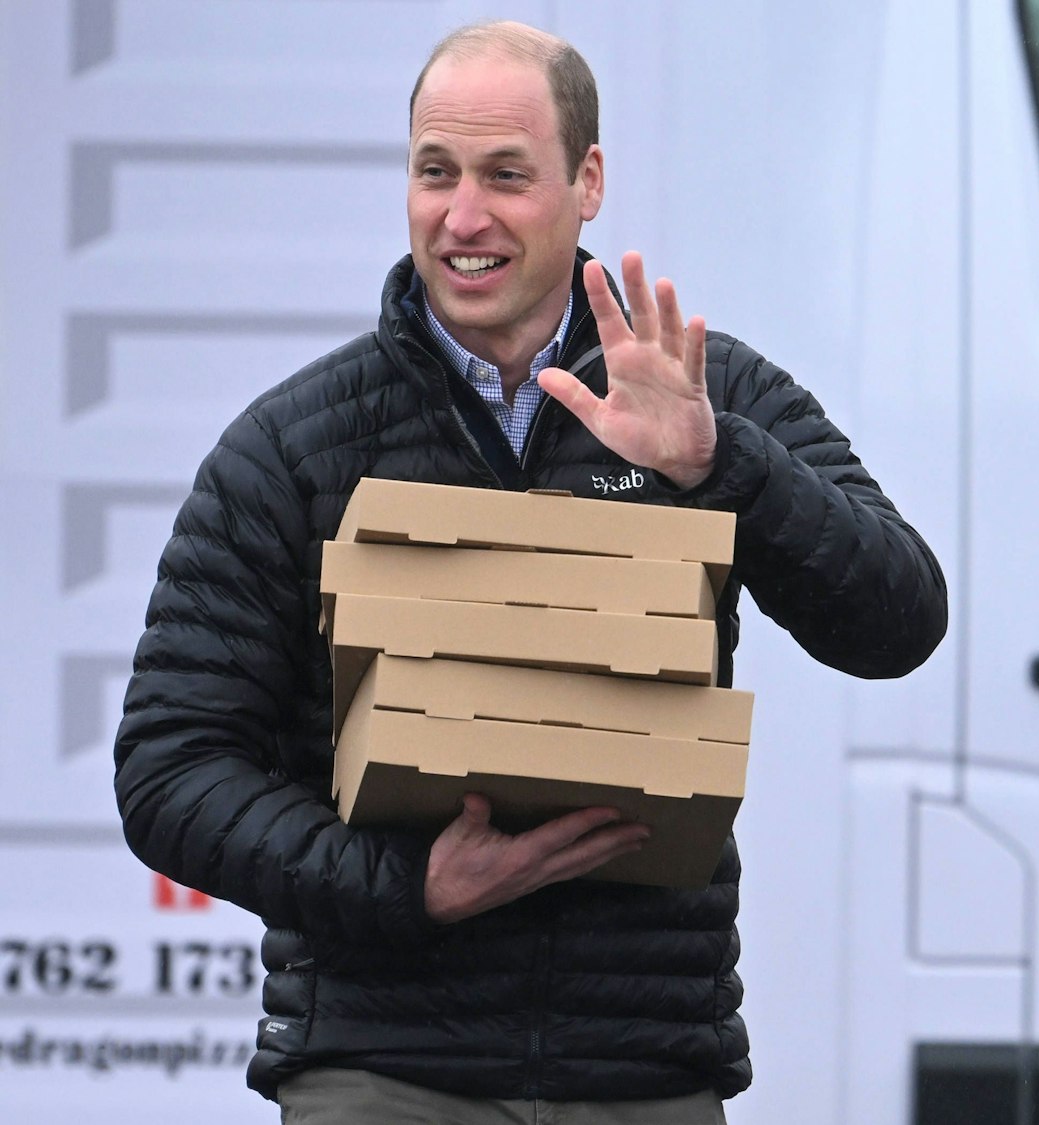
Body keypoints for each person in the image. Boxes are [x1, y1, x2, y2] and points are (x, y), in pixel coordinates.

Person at [112, 20, 946, 1122]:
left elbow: (899, 621)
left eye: (506, 175)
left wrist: (718, 463)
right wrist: (407, 888)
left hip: (642, 1070)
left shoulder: (705, 395)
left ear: (587, 181)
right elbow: (170, 771)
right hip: (382, 1067)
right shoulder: (295, 446)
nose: (463, 218)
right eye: (434, 173)